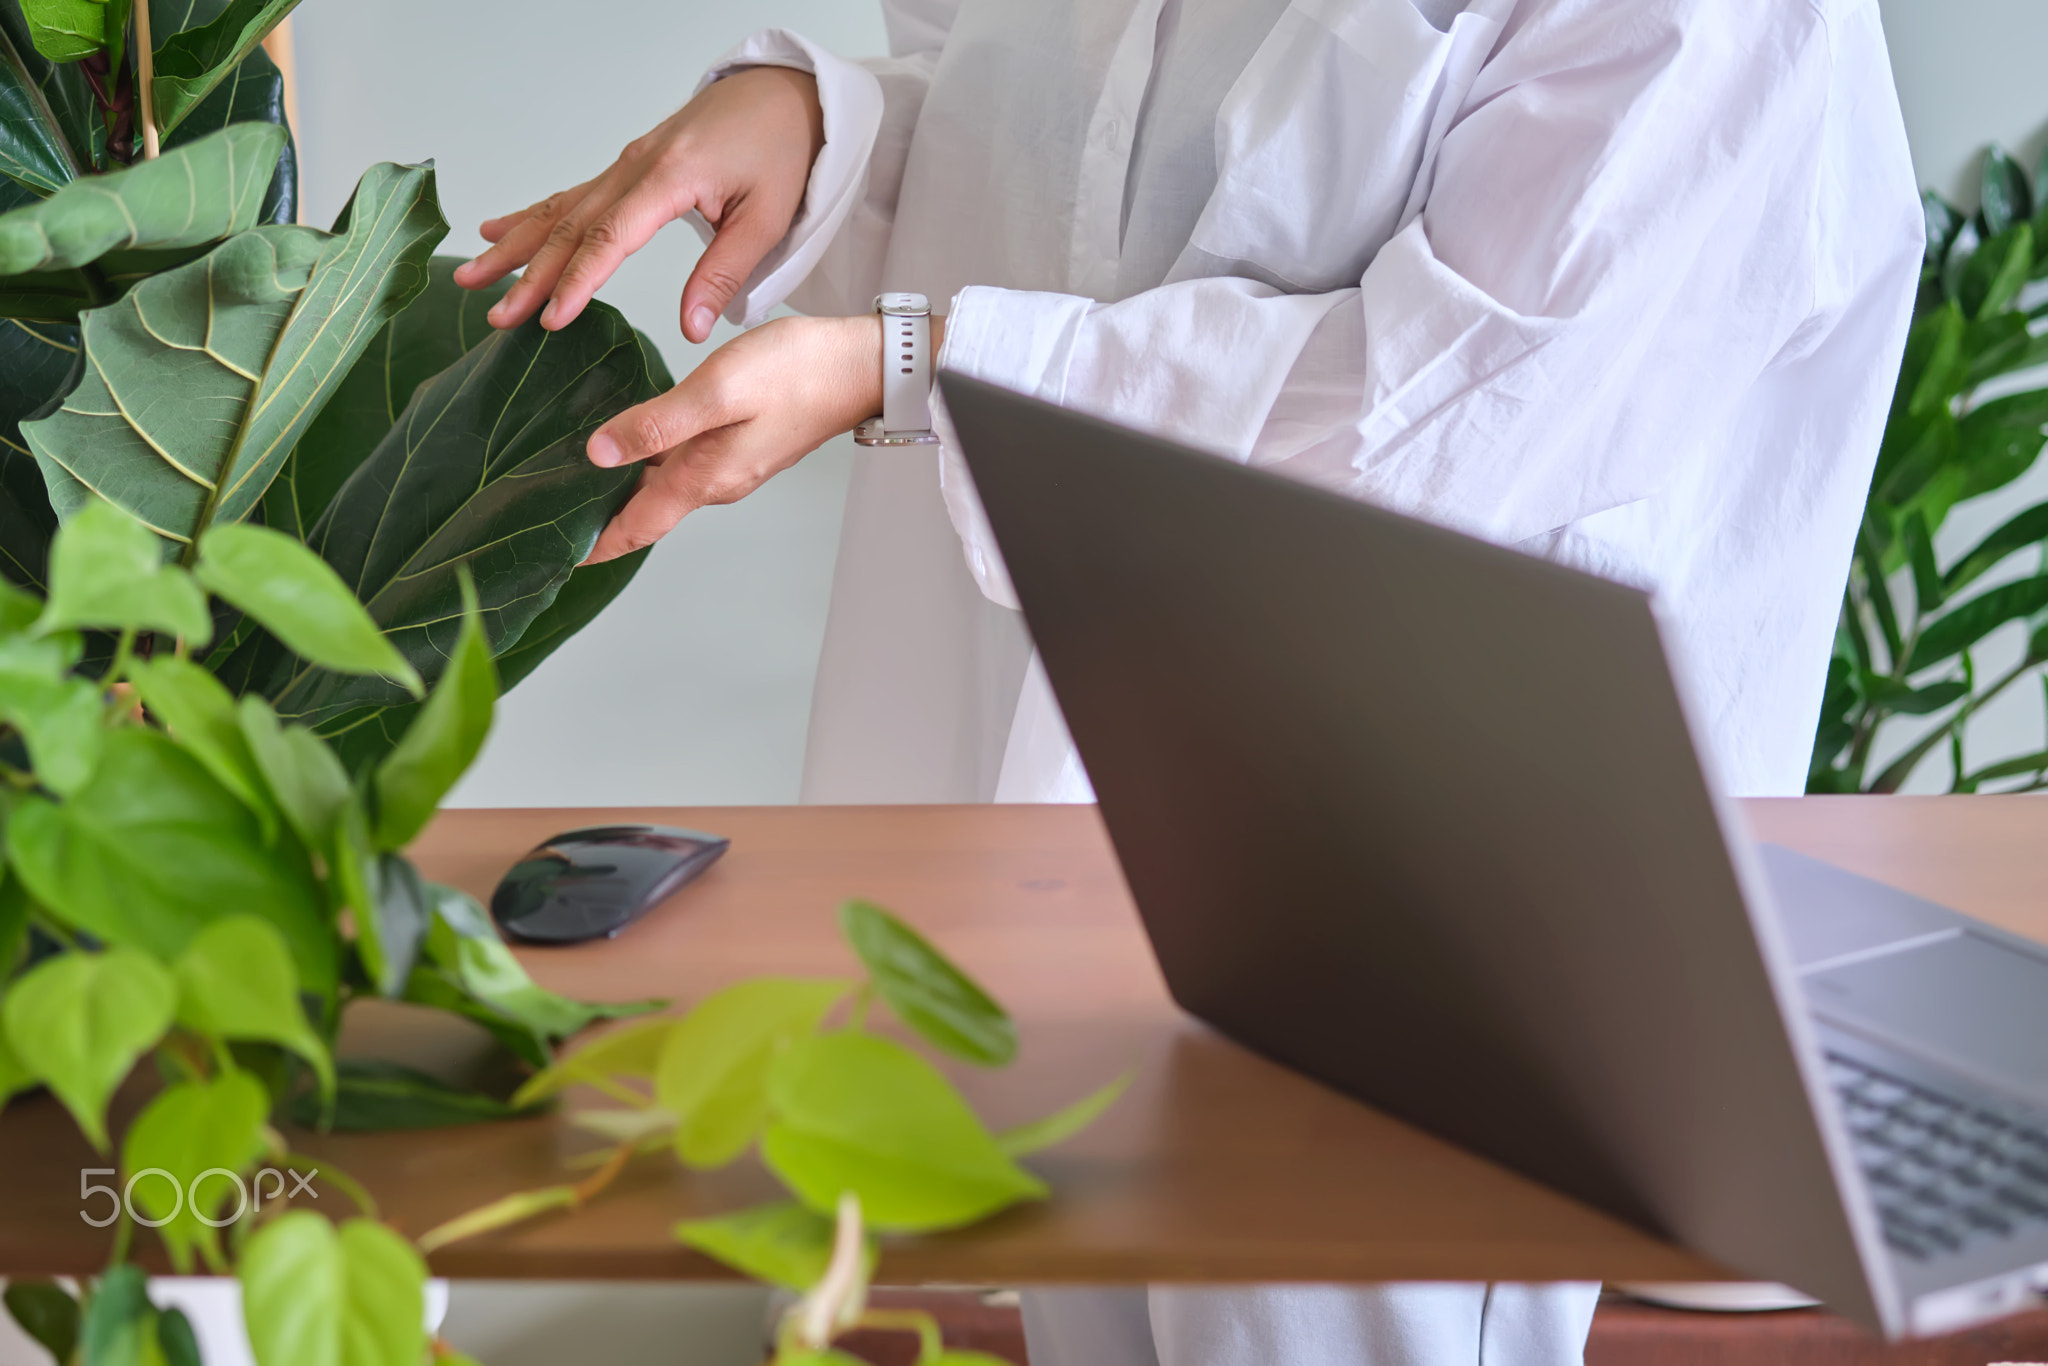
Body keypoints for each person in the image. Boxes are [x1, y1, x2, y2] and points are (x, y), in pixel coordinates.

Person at [456, 0, 1922, 1361]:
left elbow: (1449, 418)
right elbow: (1083, 165)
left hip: (1417, 909)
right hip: (1058, 840)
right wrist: (818, 128)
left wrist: (913, 365)